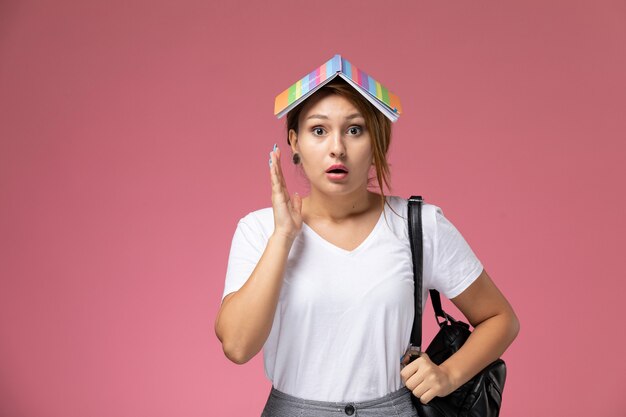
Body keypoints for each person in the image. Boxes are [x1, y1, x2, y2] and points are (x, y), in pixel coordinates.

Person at [215, 66, 520, 416]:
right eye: (318, 130)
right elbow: (237, 346)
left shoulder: (419, 225)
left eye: (355, 130)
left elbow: (501, 318)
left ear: (377, 141)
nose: (337, 148)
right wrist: (283, 236)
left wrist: (448, 374)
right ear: (295, 142)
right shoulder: (259, 230)